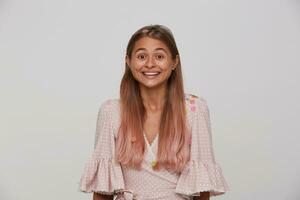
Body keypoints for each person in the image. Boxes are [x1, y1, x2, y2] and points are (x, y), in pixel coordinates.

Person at [78, 24, 229, 200]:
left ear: (174, 62)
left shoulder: (194, 110)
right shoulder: (111, 112)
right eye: (141, 56)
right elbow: (102, 189)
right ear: (128, 61)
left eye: (159, 56)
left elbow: (203, 187)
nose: (150, 64)